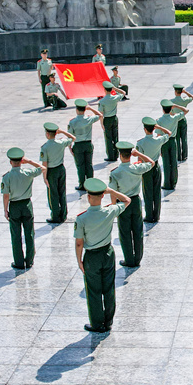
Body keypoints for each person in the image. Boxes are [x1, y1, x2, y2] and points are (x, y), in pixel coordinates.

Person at [73, 178, 130, 332]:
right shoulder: (109, 211)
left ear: (88, 197)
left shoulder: (82, 218)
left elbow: (79, 243)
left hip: (92, 256)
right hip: (107, 253)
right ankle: (108, 321)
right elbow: (127, 200)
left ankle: (97, 324)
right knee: (109, 288)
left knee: (94, 291)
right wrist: (111, 191)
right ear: (102, 196)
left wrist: (79, 260)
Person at [108, 142, 155, 268]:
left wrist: (114, 207)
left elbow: (113, 193)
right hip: (135, 201)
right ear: (130, 155)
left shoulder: (115, 173)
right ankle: (137, 258)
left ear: (120, 155)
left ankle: (129, 259)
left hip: (123, 203)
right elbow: (151, 162)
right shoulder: (137, 168)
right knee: (137, 230)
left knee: (125, 232)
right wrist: (138, 153)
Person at [1, 147, 43, 270]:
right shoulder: (28, 173)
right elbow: (42, 168)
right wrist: (29, 161)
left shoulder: (7, 177)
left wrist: (5, 209)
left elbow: (6, 195)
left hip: (14, 205)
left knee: (16, 235)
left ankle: (18, 262)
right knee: (29, 233)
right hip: (26, 204)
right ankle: (29, 260)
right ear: (21, 161)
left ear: (10, 162)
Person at [136, 117, 172, 223]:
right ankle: (156, 215)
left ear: (145, 129)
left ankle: (149, 215)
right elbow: (169, 133)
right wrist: (159, 127)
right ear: (154, 129)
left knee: (147, 192)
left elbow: (139, 160)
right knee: (156, 192)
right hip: (156, 167)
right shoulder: (158, 140)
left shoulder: (140, 143)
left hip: (146, 168)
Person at [39, 122, 75, 224]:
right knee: (62, 192)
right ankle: (63, 215)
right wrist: (62, 131)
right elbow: (73, 138)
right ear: (56, 133)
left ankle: (55, 216)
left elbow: (44, 164)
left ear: (47, 134)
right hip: (61, 169)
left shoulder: (45, 147)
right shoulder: (61, 142)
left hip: (51, 171)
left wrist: (44, 177)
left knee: (53, 194)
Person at [67, 99, 102, 191]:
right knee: (89, 165)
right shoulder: (89, 119)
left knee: (80, 166)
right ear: (85, 109)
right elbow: (100, 115)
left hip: (78, 145)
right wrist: (91, 108)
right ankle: (91, 183)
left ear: (76, 110)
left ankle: (82, 184)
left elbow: (70, 136)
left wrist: (70, 147)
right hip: (88, 144)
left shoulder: (72, 122)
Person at [157, 99, 188, 191]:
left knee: (166, 163)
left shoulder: (159, 120)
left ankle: (167, 183)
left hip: (164, 142)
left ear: (163, 110)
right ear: (171, 109)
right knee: (173, 162)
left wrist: (159, 148)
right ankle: (174, 182)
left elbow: (158, 135)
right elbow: (186, 110)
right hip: (173, 141)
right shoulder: (175, 117)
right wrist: (176, 106)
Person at [95, 80, 127, 161]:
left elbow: (101, 114)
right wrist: (115, 88)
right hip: (114, 118)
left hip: (107, 119)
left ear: (104, 90)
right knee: (115, 137)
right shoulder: (115, 97)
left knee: (108, 138)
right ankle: (116, 154)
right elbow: (123, 92)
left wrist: (102, 124)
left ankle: (110, 156)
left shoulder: (102, 101)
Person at [171, 84, 193, 162]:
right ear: (181, 92)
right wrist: (186, 92)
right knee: (184, 138)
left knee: (177, 139)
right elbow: (192, 97)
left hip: (176, 121)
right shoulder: (184, 100)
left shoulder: (171, 101)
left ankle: (178, 156)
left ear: (175, 91)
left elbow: (170, 113)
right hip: (183, 120)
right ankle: (184, 155)